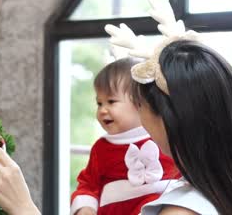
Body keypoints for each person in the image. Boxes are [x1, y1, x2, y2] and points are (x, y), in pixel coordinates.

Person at [0, 1, 232, 215]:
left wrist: (23, 207)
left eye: (140, 104)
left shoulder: (184, 210)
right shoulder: (229, 190)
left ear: (169, 117)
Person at [69, 57, 179, 215]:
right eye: (99, 103)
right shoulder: (102, 148)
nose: (102, 110)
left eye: (111, 101)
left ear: (140, 103)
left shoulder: (162, 138)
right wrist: (85, 208)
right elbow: (88, 184)